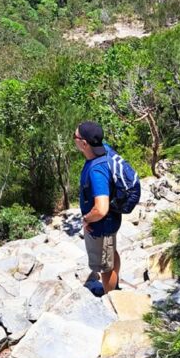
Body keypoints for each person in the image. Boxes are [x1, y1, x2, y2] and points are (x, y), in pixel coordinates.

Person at [74, 120, 121, 295]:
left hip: (101, 225)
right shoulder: (104, 151)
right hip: (111, 221)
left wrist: (86, 219)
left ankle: (111, 298)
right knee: (110, 253)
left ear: (84, 143)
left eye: (75, 136)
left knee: (105, 267)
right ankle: (115, 287)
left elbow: (101, 209)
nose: (74, 139)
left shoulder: (96, 171)